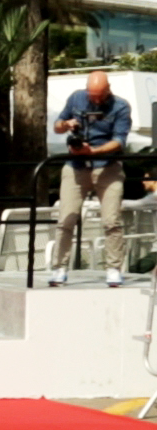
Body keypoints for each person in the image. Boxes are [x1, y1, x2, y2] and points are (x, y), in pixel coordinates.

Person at [49, 70, 133, 287]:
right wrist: (66, 124)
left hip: (107, 166)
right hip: (76, 167)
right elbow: (57, 126)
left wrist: (94, 151)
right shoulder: (76, 98)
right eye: (91, 95)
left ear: (108, 89)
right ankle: (59, 267)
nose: (95, 100)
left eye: (99, 95)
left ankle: (114, 268)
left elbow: (120, 141)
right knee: (66, 218)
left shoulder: (120, 106)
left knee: (111, 220)